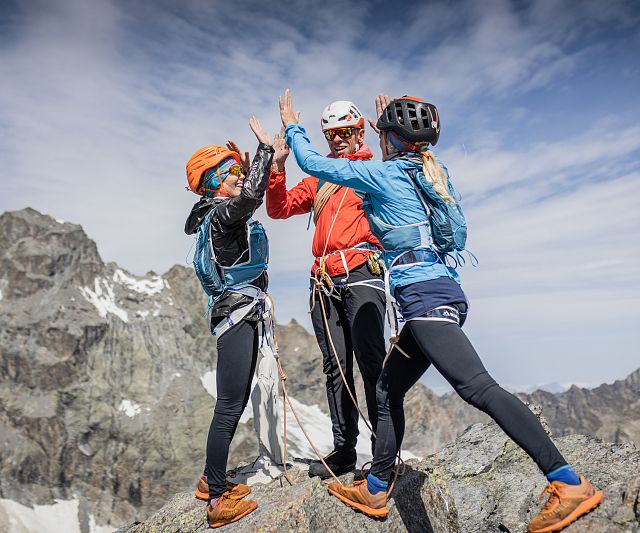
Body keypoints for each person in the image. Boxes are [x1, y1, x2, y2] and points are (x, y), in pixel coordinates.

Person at [278, 90, 603, 533]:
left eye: (381, 133)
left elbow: (315, 165)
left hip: (424, 300)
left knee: (478, 389)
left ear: (388, 137)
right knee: (387, 390)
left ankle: (567, 482)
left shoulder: (385, 175)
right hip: (437, 293)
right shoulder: (434, 173)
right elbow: (454, 240)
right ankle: (376, 487)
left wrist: (293, 126)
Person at [266, 101, 386, 478]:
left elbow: (401, 182)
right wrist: (278, 166)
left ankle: (384, 454)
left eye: (345, 132)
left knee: (371, 364)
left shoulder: (372, 171)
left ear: (359, 133)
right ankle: (344, 451)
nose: (337, 140)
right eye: (331, 134)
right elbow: (279, 208)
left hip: (362, 274)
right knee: (335, 368)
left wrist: (389, 142)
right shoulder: (320, 179)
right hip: (324, 282)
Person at [184, 117, 274, 529]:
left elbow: (247, 192)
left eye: (239, 170)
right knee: (229, 407)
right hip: (238, 315)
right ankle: (217, 499)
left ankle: (210, 480)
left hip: (237, 313)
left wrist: (251, 162)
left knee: (231, 404)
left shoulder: (215, 215)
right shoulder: (222, 216)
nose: (238, 176)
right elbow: (252, 196)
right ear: (214, 181)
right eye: (231, 172)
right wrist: (265, 152)